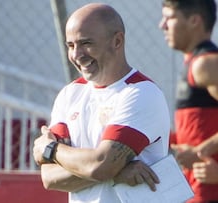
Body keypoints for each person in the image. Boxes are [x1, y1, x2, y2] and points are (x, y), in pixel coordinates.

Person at [33, 3, 171, 203]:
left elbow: (101, 165)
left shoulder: (142, 92)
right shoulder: (69, 94)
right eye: (71, 45)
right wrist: (115, 172)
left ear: (117, 41)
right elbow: (50, 178)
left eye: (86, 43)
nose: (77, 55)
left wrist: (51, 150)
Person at [159, 0, 218, 202]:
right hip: (194, 191)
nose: (162, 25)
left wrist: (201, 151)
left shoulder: (206, 64)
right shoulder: (194, 63)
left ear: (194, 20)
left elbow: (199, 147)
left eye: (170, 18)